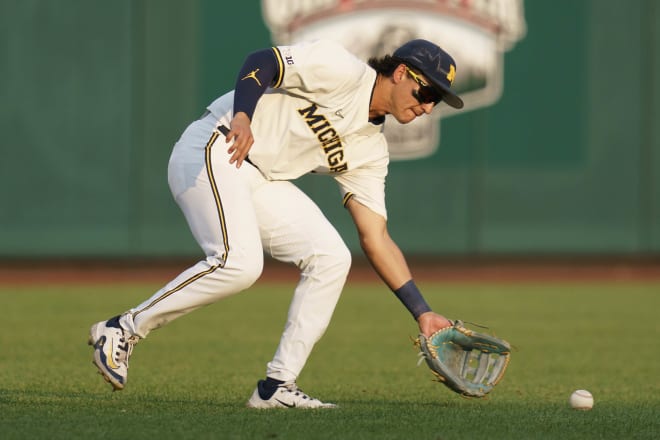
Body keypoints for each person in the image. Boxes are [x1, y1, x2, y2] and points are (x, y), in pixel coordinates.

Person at [88, 38, 464, 409]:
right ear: (401, 73)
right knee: (240, 264)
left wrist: (422, 311)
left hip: (261, 179)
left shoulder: (370, 150)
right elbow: (261, 60)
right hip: (216, 144)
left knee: (332, 256)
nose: (428, 107)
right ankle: (123, 327)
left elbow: (376, 237)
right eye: (427, 92)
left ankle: (277, 386)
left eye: (437, 101)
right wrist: (243, 115)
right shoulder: (342, 70)